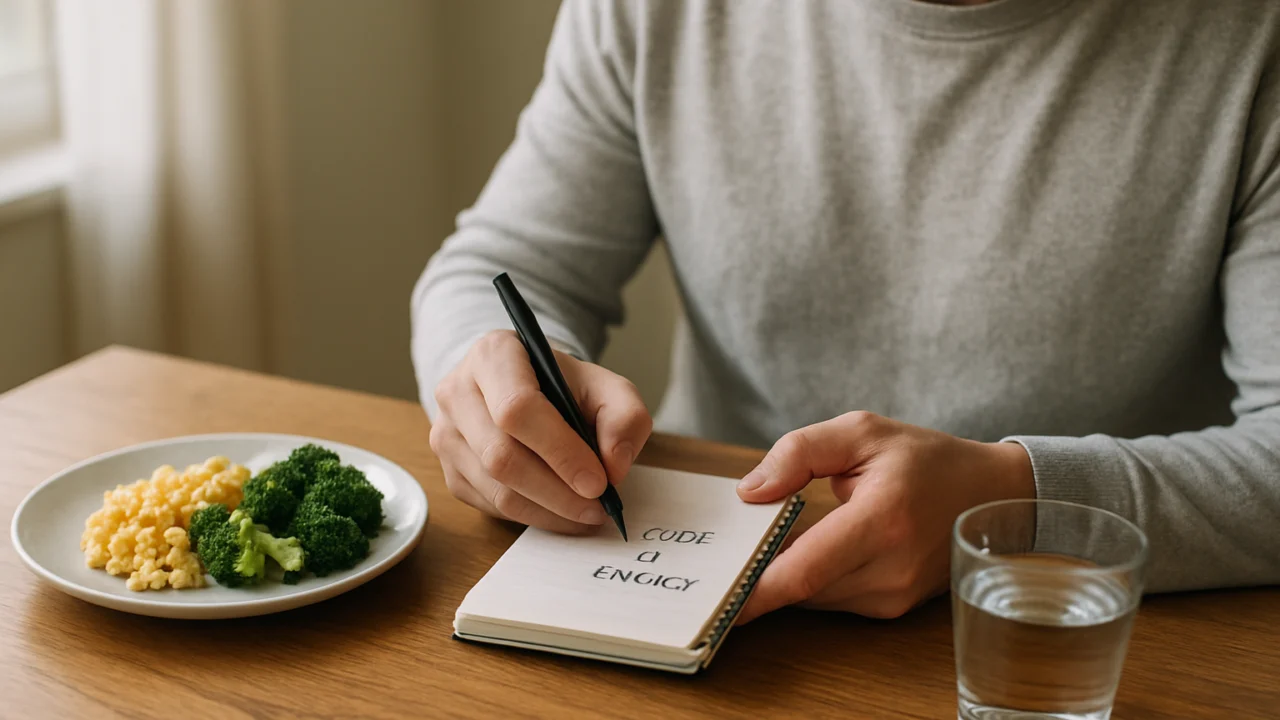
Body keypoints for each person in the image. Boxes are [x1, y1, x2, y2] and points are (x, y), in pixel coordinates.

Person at [411, 0, 1280, 623]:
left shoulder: (1249, 36)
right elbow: (504, 266)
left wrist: (1017, 507)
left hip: (1071, 629)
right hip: (694, 590)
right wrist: (494, 387)